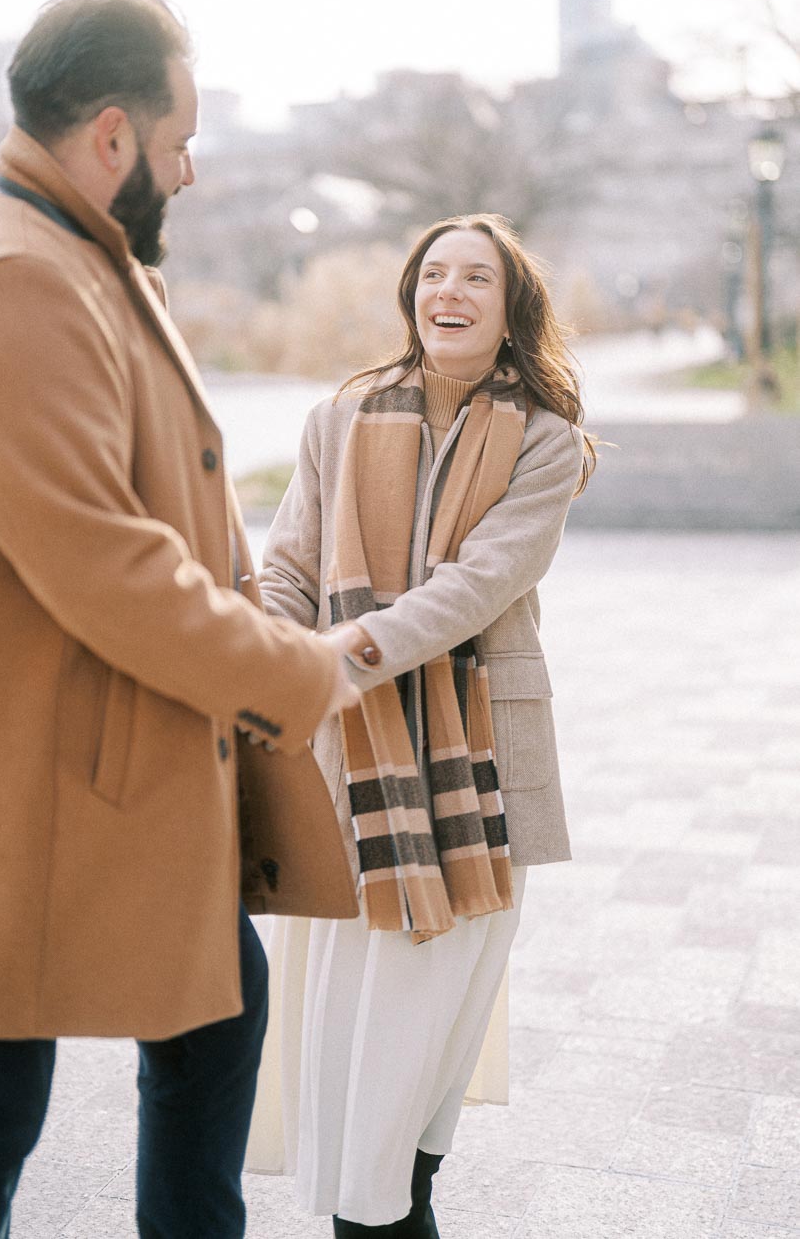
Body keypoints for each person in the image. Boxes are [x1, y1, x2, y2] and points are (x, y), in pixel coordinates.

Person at [0, 0, 360, 1239]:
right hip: (46, 779)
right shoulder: (14, 276)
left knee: (197, 1024)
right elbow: (103, 561)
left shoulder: (68, 251)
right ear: (112, 135)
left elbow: (159, 507)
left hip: (107, 762)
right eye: (178, 142)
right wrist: (296, 669)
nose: (192, 170)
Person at [255, 213, 595, 1235]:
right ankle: (375, 1208)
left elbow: (479, 586)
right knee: (358, 1026)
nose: (448, 291)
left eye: (475, 279)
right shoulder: (340, 416)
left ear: (510, 309)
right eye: (433, 274)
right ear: (412, 295)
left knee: (428, 1037)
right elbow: (289, 571)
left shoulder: (547, 444)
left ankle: (394, 1201)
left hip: (480, 770)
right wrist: (265, 662)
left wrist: (341, 656)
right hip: (345, 762)